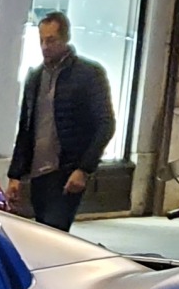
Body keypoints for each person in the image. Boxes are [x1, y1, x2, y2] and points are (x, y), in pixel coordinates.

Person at [8, 12, 115, 230]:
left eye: (51, 40)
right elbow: (26, 128)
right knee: (40, 232)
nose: (45, 46)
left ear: (65, 39)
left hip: (65, 172)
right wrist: (15, 175)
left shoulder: (89, 74)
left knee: (54, 230)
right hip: (37, 174)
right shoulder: (35, 77)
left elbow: (105, 123)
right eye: (41, 41)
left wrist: (83, 169)